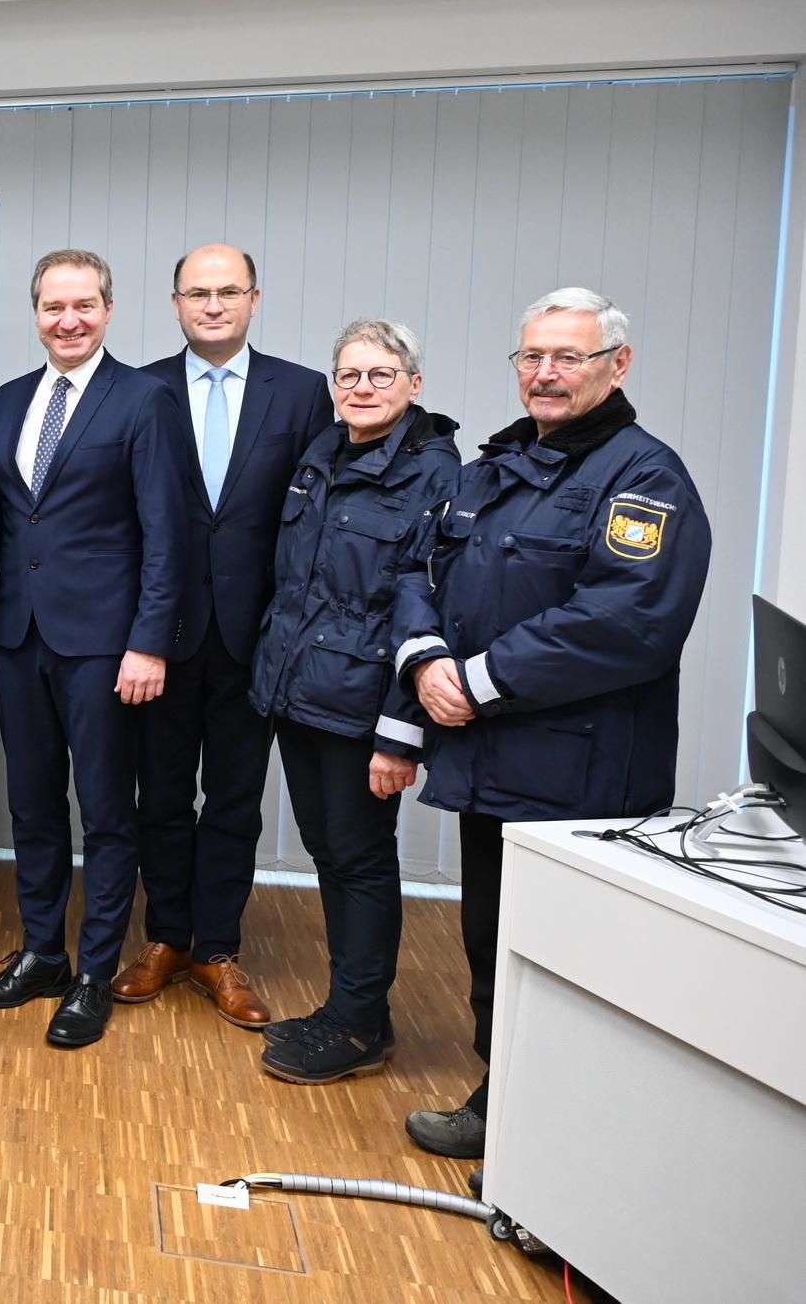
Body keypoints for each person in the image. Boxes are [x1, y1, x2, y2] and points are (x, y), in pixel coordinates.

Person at [394, 287, 710, 1160]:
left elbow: (627, 622)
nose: (546, 373)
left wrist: (481, 679)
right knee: (492, 942)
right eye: (532, 356)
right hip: (491, 762)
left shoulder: (646, 478)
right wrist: (425, 659)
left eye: (568, 357)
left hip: (579, 775)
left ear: (617, 365)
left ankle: (556, 1137)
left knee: (559, 961)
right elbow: (420, 565)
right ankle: (506, 1106)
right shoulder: (500, 462)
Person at [0, 248, 187, 1049]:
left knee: (107, 812)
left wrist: (149, 643)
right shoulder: (9, 401)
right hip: (18, 635)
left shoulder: (145, 400)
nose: (69, 319)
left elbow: (167, 534)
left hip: (105, 644)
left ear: (109, 310)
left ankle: (94, 972)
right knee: (32, 804)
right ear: (37, 313)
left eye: (84, 305)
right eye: (54, 306)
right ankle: (42, 954)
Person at [120, 246, 333, 1028]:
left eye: (228, 292)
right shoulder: (138, 391)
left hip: (256, 636)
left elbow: (316, 524)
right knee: (163, 795)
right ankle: (165, 939)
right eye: (197, 293)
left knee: (235, 801)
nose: (213, 305)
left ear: (254, 298)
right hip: (161, 632)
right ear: (175, 303)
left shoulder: (304, 393)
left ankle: (217, 946)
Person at [246, 320, 459, 1084]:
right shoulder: (324, 453)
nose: (361, 389)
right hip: (300, 694)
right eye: (348, 375)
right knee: (330, 853)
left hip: (366, 708)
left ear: (413, 382)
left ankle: (359, 1024)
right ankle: (356, 1008)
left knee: (362, 859)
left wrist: (401, 737)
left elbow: (428, 609)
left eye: (379, 374)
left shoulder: (437, 474)